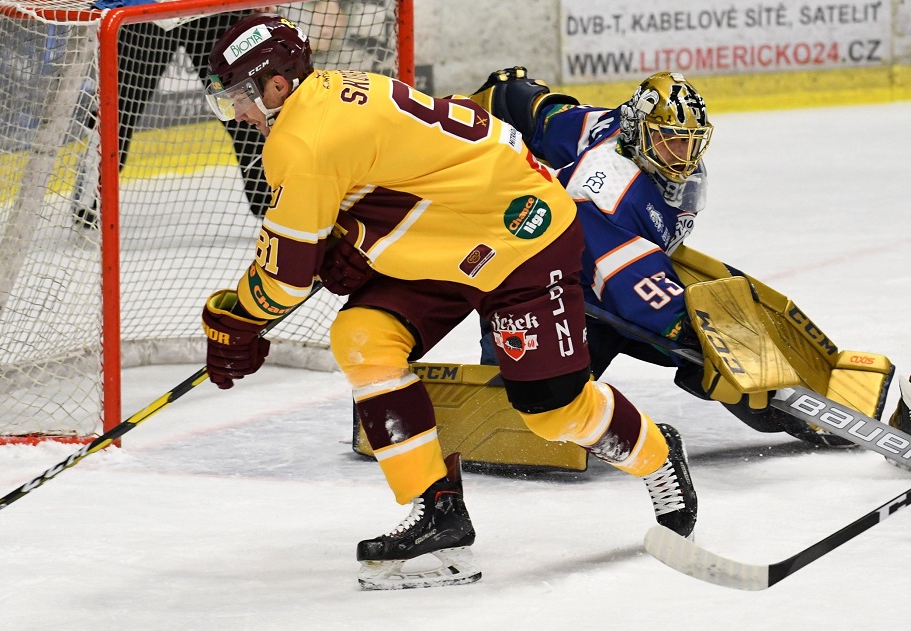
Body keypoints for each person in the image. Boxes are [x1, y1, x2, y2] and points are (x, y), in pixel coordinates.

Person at [197, 14, 697, 590]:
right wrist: (356, 234)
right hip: (451, 240)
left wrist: (232, 318)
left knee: (552, 411)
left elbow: (283, 281)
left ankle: (658, 456)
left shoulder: (301, 140)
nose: (236, 113)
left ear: (277, 86)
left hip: (521, 239)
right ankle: (439, 511)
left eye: (238, 97)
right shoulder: (335, 91)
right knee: (363, 336)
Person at [471, 67, 854, 447]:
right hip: (543, 292)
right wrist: (704, 338)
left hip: (599, 277)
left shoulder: (617, 125)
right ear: (643, 132)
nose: (681, 154)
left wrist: (510, 97)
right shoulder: (603, 187)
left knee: (719, 323)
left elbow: (547, 120)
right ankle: (506, 391)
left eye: (689, 141)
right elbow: (632, 287)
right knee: (544, 402)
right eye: (669, 140)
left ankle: (804, 393)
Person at [73, 2, 273, 228]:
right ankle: (91, 203)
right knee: (116, 109)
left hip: (212, 9)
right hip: (147, 9)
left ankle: (271, 202)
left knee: (245, 107)